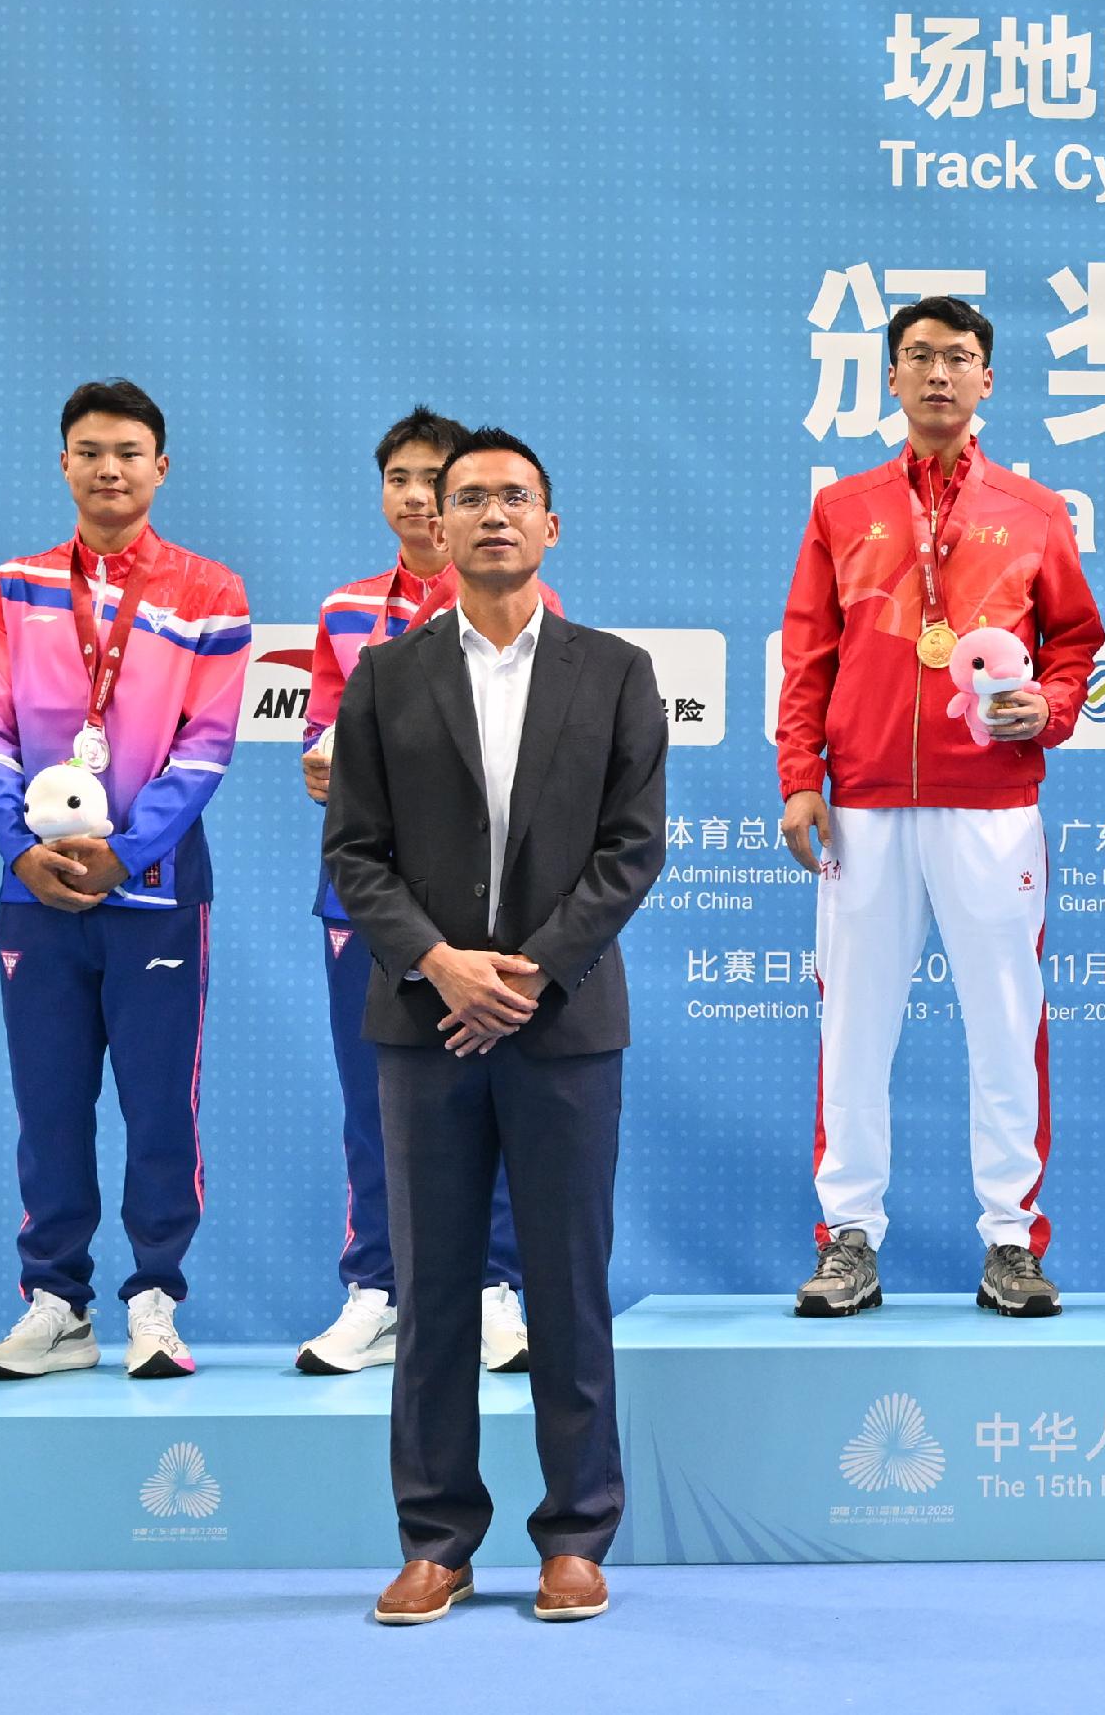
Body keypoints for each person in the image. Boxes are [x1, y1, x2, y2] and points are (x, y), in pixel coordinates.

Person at [324, 429, 668, 1627]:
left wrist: (527, 974)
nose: (491, 514)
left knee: (568, 1286)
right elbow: (354, 854)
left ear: (549, 525)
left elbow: (632, 848)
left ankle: (576, 1534)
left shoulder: (614, 672)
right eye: (466, 497)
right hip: (426, 1026)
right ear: (437, 524)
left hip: (562, 1023)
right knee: (432, 1292)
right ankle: (436, 1539)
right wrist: (439, 966)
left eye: (514, 496)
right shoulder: (386, 677)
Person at [777, 296, 1100, 1317]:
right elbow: (808, 651)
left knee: (1005, 1021)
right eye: (917, 356)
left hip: (992, 801)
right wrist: (799, 776)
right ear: (890, 376)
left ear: (986, 378)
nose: (937, 374)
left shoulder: (1033, 510)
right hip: (865, 803)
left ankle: (1011, 1239)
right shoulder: (844, 508)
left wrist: (1049, 708)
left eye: (958, 357)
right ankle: (849, 1237)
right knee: (853, 1024)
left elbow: (1076, 643)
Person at [0, 380, 251, 1379]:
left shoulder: (211, 591)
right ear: (63, 464)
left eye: (128, 452)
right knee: (48, 1107)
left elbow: (206, 746)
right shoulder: (15, 586)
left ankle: (156, 1299)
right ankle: (57, 1304)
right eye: (89, 451)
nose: (109, 469)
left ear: (160, 468)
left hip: (156, 893)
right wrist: (20, 850)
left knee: (159, 1108)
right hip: (36, 891)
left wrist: (126, 851)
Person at [297, 405, 555, 1380]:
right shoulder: (345, 611)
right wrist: (327, 761)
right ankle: (377, 1290)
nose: (416, 497)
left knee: (494, 1097)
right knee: (374, 1104)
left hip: (484, 909)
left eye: (433, 481)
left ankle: (492, 1286)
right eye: (399, 479)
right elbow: (321, 745)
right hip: (365, 905)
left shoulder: (521, 600)